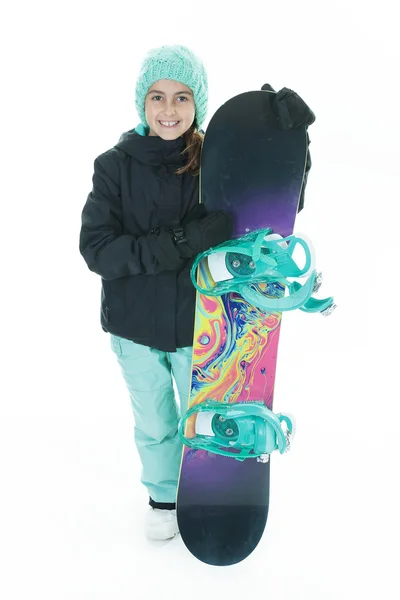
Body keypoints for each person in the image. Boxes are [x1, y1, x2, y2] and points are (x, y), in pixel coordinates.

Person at [79, 45, 315, 542]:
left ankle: (208, 499)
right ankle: (164, 498)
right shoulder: (113, 167)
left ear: (198, 104)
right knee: (156, 423)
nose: (169, 110)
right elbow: (99, 250)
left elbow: (268, 214)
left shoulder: (220, 161)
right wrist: (183, 243)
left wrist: (288, 148)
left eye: (182, 98)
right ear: (142, 104)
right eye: (158, 97)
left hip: (202, 328)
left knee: (205, 418)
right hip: (134, 329)